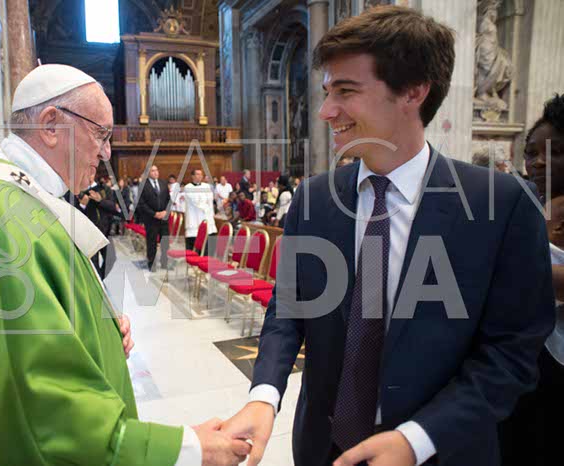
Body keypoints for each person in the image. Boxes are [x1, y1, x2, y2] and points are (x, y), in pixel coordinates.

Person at [221, 7, 554, 466]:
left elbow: (511, 352)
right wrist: (264, 394)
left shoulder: (499, 205)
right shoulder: (315, 199)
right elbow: (289, 311)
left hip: (441, 450)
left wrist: (416, 439)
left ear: (413, 91)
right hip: (323, 446)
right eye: (326, 91)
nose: (326, 111)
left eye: (346, 91)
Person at [0, 64, 250, 466]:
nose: (107, 152)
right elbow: (50, 416)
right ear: (50, 125)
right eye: (101, 134)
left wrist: (99, 328)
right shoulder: (4, 222)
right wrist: (190, 449)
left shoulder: (17, 201)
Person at [500, 93, 564, 466]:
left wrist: (506, 266)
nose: (538, 161)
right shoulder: (524, 205)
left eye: (555, 152)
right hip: (519, 363)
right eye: (531, 152)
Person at [137, 164, 171, 272]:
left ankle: (164, 262)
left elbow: (168, 200)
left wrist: (165, 211)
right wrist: (154, 214)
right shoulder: (143, 185)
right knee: (151, 242)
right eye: (152, 171)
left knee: (165, 241)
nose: (155, 172)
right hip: (151, 219)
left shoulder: (163, 183)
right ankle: (151, 263)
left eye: (156, 170)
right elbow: (142, 204)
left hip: (163, 218)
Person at [183, 168, 217, 251]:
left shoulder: (206, 186)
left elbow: (210, 200)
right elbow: (196, 202)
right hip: (194, 218)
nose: (200, 176)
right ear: (192, 176)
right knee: (194, 244)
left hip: (207, 216)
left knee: (208, 243)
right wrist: (205, 203)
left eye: (201, 174)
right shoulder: (188, 187)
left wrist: (211, 213)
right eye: (197, 174)